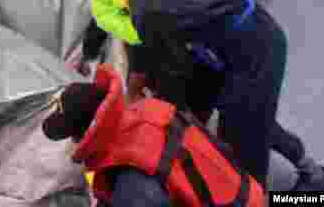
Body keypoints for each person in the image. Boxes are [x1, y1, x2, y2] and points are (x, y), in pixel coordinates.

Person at [59, 0, 324, 191]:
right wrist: (90, 54)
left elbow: (170, 70)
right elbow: (120, 24)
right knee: (249, 116)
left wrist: (159, 112)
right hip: (234, 40)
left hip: (254, 50)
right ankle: (306, 165)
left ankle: (297, 183)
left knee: (243, 143)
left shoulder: (145, 8)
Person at [42, 64, 266, 207]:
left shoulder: (130, 182)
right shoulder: (148, 108)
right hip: (242, 188)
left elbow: (140, 196)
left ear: (82, 136)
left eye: (72, 137)